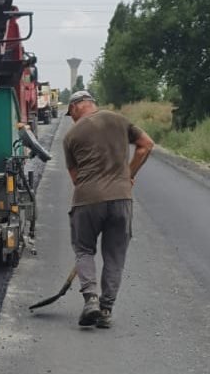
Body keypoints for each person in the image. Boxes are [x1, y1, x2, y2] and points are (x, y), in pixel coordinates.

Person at [63, 90, 154, 328]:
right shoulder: (119, 121)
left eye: (70, 113)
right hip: (121, 199)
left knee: (84, 250)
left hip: (87, 201)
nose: (71, 117)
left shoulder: (71, 135)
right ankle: (105, 310)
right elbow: (146, 145)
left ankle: (91, 298)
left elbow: (76, 178)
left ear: (75, 107)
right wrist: (128, 175)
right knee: (114, 255)